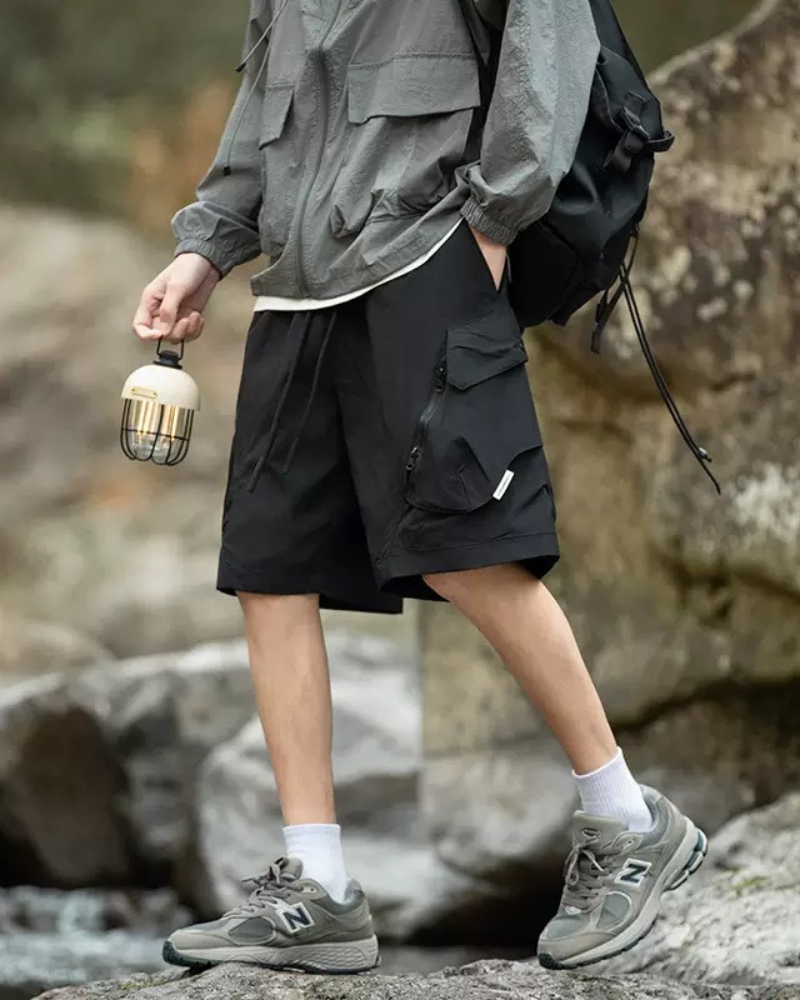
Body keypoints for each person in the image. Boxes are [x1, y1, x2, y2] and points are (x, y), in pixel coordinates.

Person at [133, 0, 707, 975]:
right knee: (269, 566)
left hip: (427, 249)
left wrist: (494, 220)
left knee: (467, 549)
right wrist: (206, 244)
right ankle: (316, 888)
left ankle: (626, 819)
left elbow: (548, 36)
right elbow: (266, 98)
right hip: (298, 282)